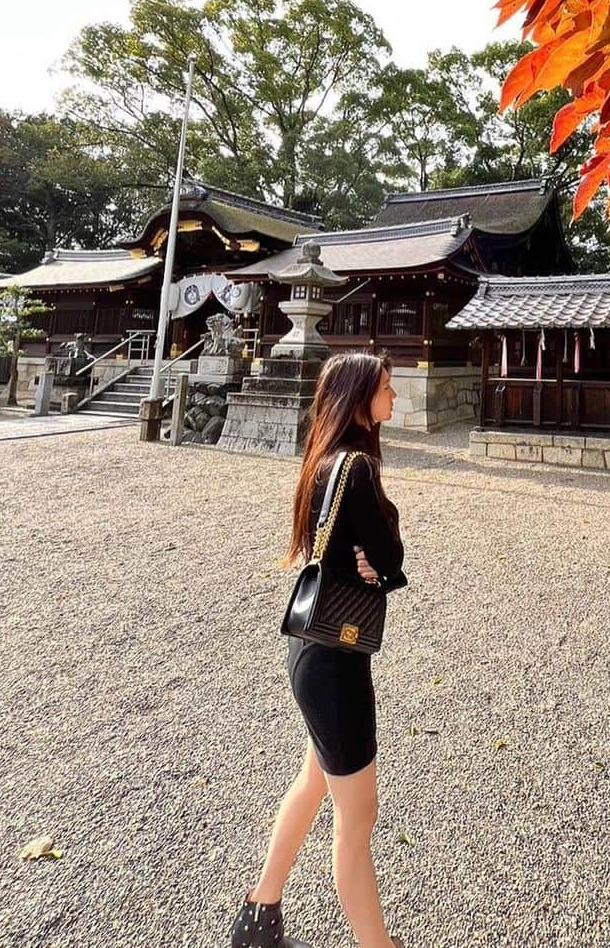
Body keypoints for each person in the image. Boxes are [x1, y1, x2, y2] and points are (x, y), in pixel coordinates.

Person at [229, 352, 409, 948]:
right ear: (361, 397)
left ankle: (259, 913)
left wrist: (373, 559)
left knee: (314, 781)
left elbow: (363, 554)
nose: (393, 397)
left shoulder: (322, 462)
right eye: (386, 388)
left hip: (312, 648)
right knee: (357, 822)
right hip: (335, 661)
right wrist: (382, 557)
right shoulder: (357, 468)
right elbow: (388, 557)